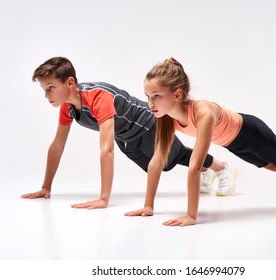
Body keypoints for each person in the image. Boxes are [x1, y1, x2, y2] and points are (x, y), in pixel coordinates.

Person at [128, 57, 276, 226]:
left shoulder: (202, 110)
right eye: (147, 96)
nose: (150, 103)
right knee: (274, 167)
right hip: (233, 143)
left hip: (251, 132)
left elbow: (195, 166)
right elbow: (156, 161)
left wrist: (191, 216)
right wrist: (149, 206)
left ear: (177, 94)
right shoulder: (166, 119)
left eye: (156, 96)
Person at [21, 57, 236, 209]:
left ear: (69, 82)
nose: (47, 95)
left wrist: (103, 199)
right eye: (44, 89)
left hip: (148, 123)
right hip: (126, 138)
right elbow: (57, 146)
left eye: (50, 87)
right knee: (168, 163)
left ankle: (222, 167)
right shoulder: (68, 107)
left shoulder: (98, 97)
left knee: (172, 158)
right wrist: (45, 187)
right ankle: (207, 169)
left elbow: (106, 150)